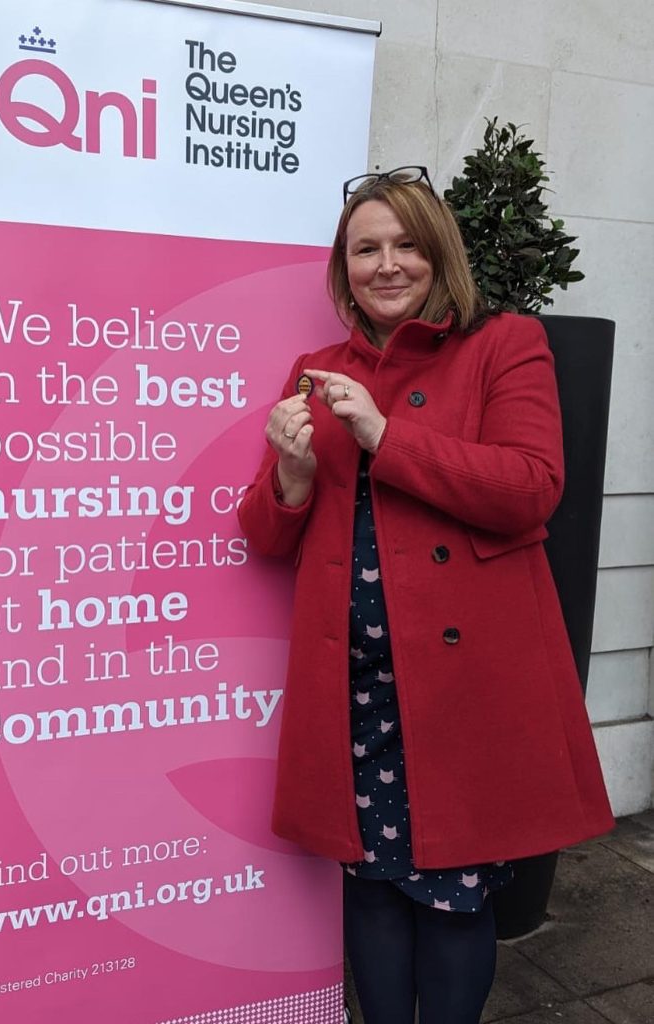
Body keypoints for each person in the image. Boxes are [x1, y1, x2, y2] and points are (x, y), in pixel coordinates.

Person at [237, 167, 614, 1024]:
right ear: (344, 268)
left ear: (438, 253)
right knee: (369, 888)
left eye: (406, 243)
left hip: (460, 691)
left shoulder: (503, 344)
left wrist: (381, 433)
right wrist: (292, 475)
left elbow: (529, 487)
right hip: (358, 690)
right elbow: (263, 536)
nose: (387, 264)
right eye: (365, 248)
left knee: (451, 894)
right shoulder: (315, 368)